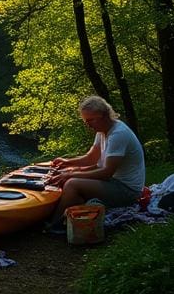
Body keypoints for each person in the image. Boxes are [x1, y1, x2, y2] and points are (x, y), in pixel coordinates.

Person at [46, 96, 145, 227]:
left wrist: (71, 175)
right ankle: (69, 218)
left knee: (72, 183)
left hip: (127, 190)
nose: (88, 125)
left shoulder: (118, 134)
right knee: (68, 177)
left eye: (90, 120)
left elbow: (106, 173)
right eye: (85, 121)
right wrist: (67, 163)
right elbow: (91, 158)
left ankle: (54, 224)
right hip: (113, 183)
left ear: (104, 115)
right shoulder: (102, 131)